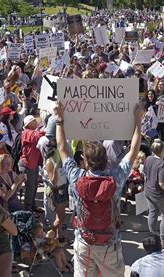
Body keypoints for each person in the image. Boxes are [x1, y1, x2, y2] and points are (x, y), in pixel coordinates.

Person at [56, 101, 144, 276]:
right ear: (106, 159)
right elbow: (134, 150)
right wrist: (138, 121)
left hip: (84, 241)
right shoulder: (116, 178)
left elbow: (62, 148)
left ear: (85, 161)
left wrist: (60, 120)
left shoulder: (77, 177)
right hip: (109, 243)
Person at [144, 139, 164, 243]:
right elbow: (162, 183)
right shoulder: (162, 164)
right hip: (158, 194)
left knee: (152, 213)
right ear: (162, 151)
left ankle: (152, 235)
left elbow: (145, 174)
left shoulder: (148, 158)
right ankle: (162, 240)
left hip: (148, 191)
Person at [19, 115, 45, 212]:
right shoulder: (27, 132)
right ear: (28, 123)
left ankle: (32, 206)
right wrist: (45, 130)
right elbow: (37, 137)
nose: (36, 122)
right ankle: (27, 210)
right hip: (28, 164)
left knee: (34, 187)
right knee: (30, 189)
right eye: (33, 121)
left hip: (33, 164)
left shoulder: (32, 132)